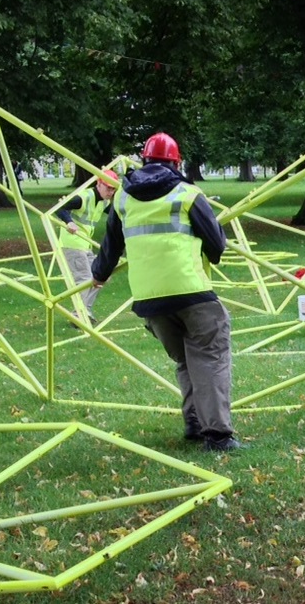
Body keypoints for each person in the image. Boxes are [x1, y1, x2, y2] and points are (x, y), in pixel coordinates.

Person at [91, 132, 241, 452]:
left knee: (187, 359)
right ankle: (217, 436)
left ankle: (195, 423)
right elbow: (217, 245)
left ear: (144, 160)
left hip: (149, 300)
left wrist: (98, 274)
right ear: (176, 162)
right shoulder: (187, 194)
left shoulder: (122, 198)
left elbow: (110, 246)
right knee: (210, 357)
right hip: (191, 292)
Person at [56, 169, 119, 322]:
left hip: (85, 245)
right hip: (72, 244)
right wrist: (69, 221)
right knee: (84, 279)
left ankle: (85, 310)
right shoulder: (84, 197)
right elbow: (60, 208)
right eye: (108, 188)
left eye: (113, 189)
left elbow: (115, 214)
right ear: (99, 183)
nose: (111, 192)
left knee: (101, 276)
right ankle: (79, 315)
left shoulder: (103, 201)